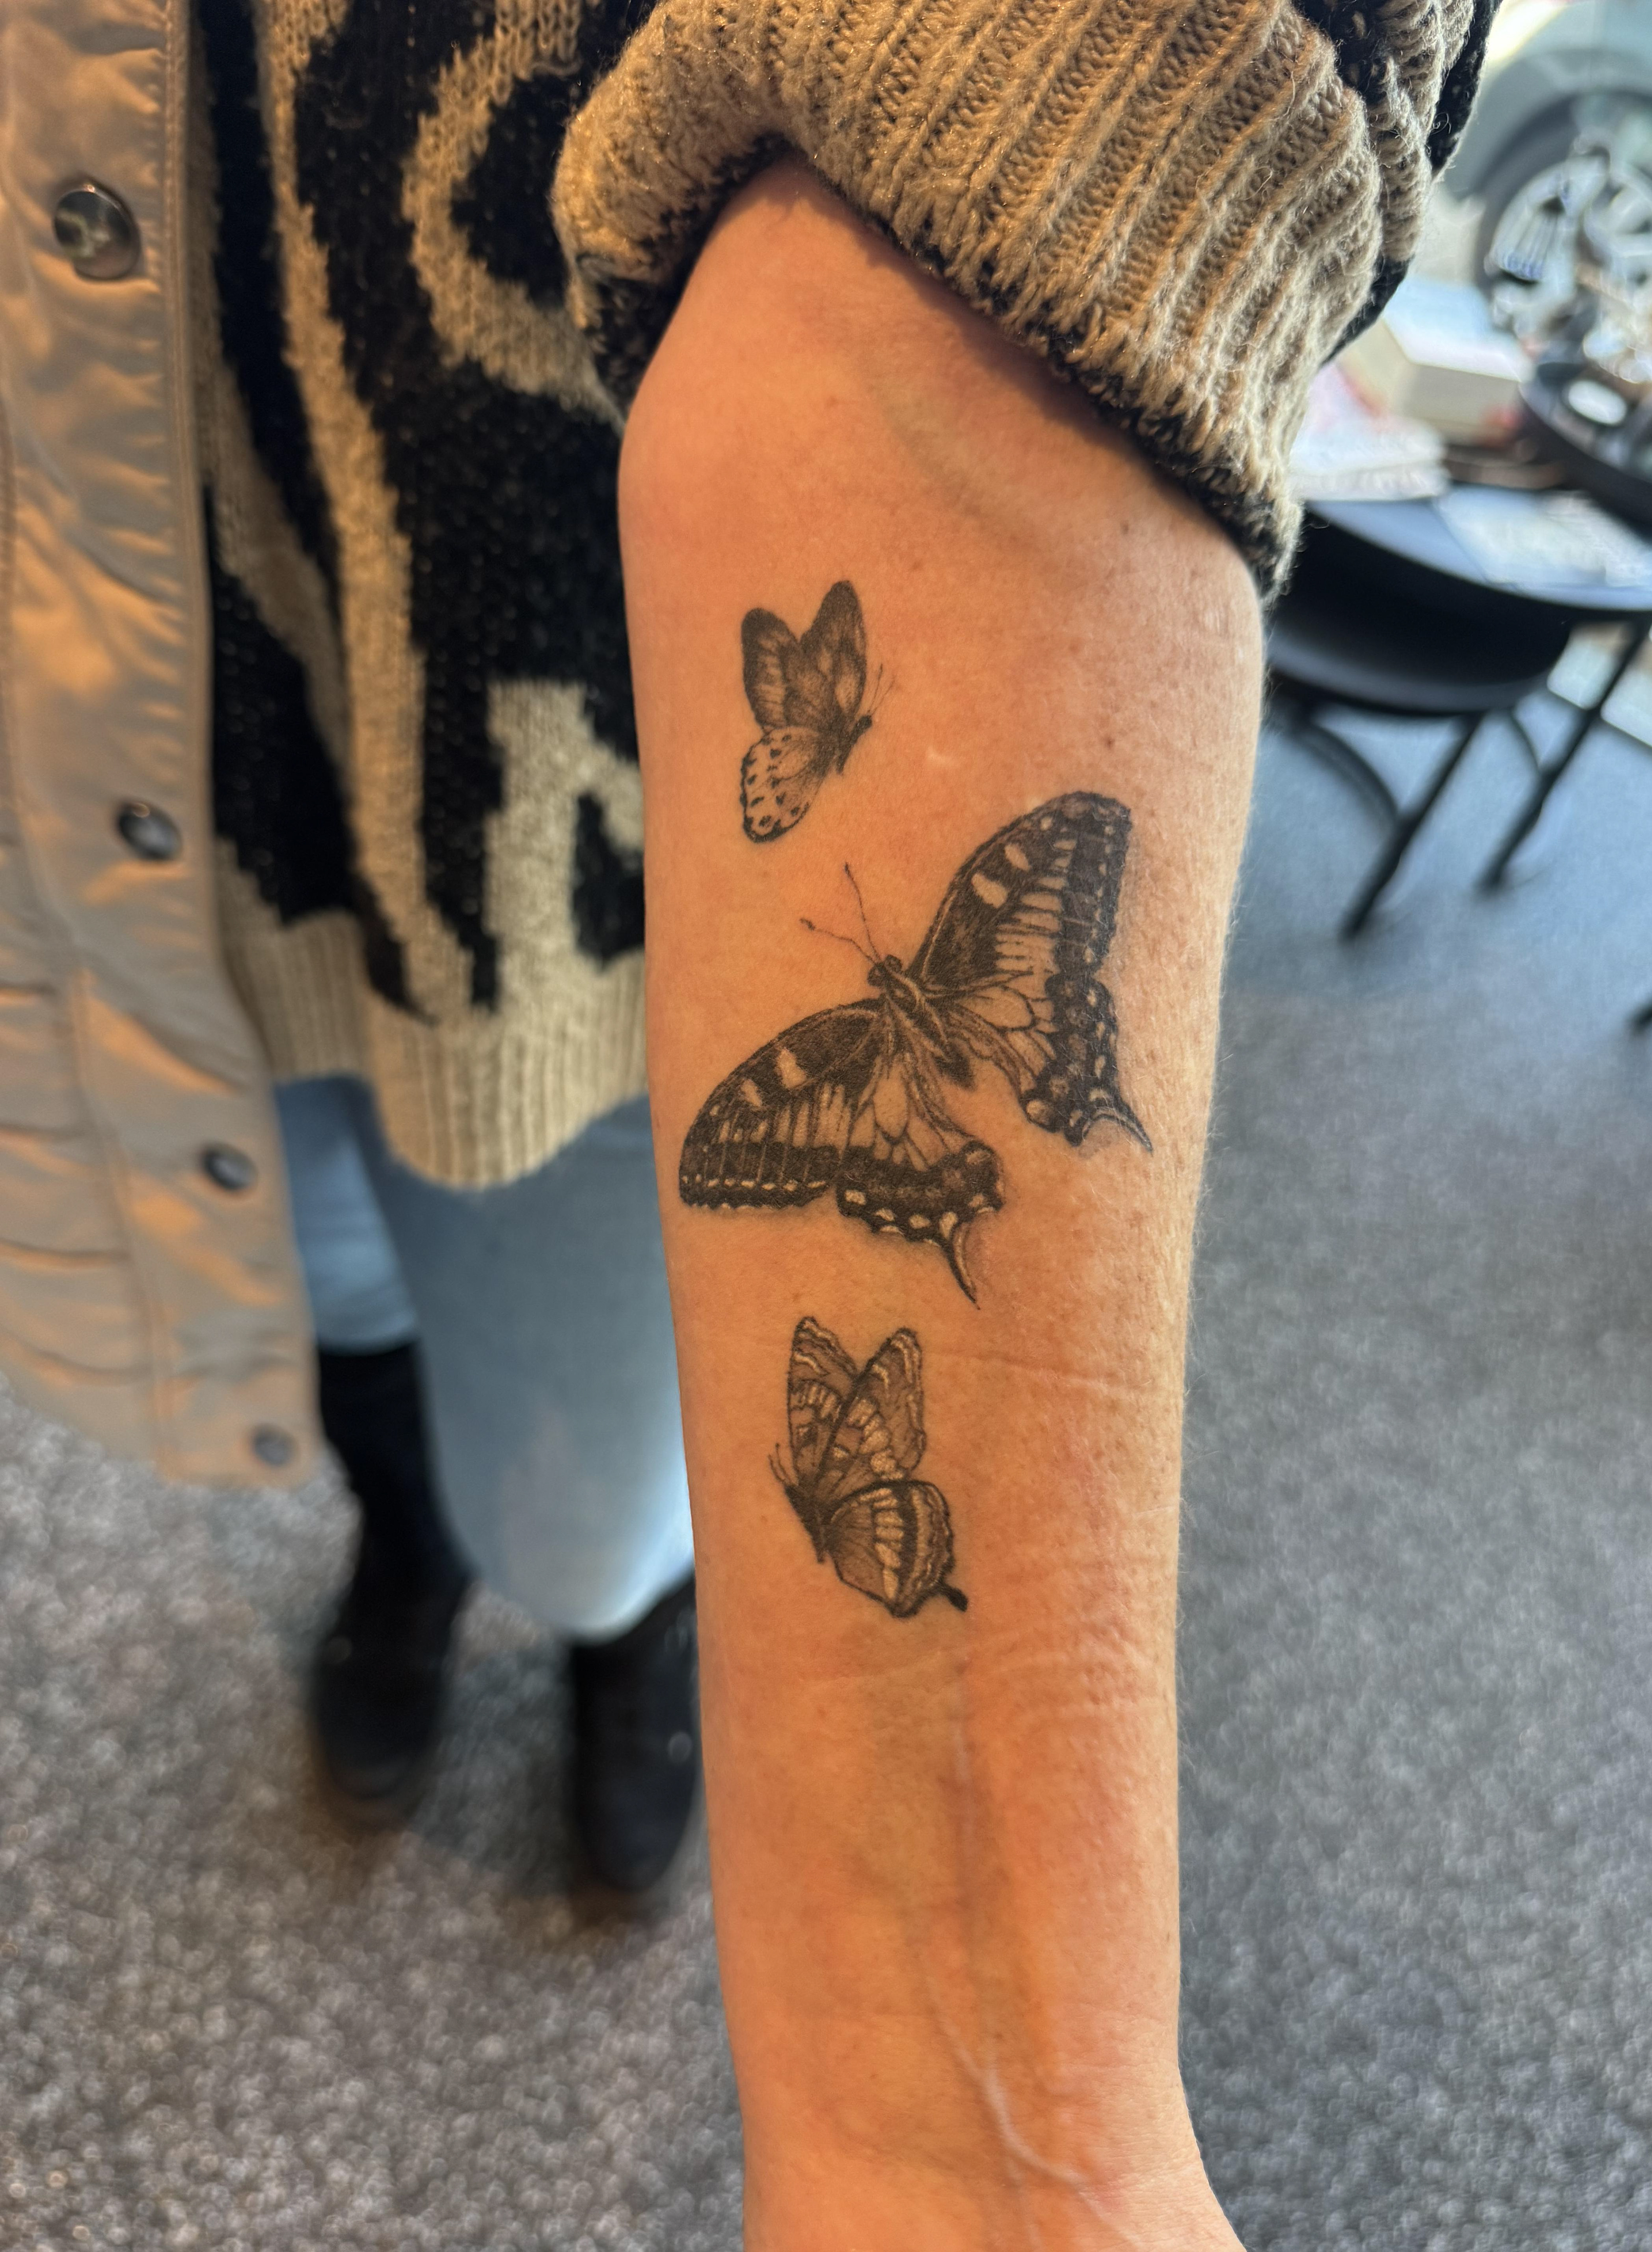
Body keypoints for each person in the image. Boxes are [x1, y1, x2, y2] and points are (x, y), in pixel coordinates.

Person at [0, 0, 1494, 2238]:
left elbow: (1027, 175)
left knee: (592, 1472)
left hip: (571, 824)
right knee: (316, 1248)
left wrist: (957, 2103)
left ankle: (614, 1623)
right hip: (122, 693)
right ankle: (403, 1545)